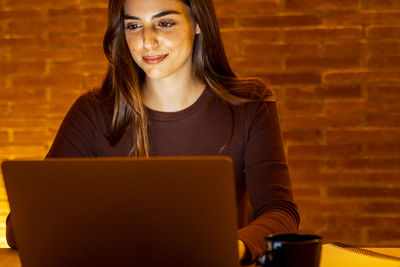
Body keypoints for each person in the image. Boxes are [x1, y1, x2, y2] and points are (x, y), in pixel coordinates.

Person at [6, 0, 300, 264]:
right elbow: (22, 226)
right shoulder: (92, 112)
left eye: (165, 22)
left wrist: (231, 249)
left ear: (198, 23)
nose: (147, 41)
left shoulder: (250, 105)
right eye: (134, 26)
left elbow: (280, 212)